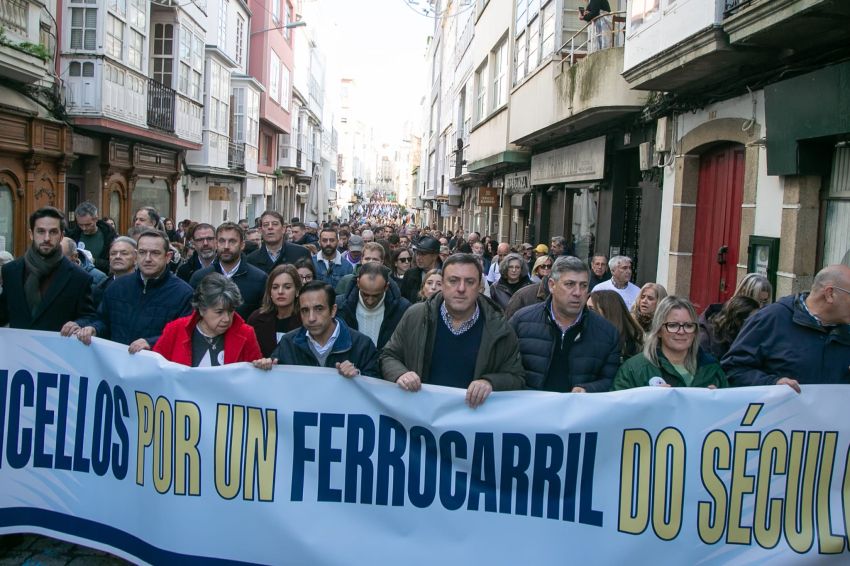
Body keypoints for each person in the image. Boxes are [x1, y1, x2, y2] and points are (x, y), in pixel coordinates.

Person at [381, 253, 525, 408]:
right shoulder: (416, 316)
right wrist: (400, 373)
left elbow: (517, 378)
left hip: (472, 423)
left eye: (469, 282)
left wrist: (490, 382)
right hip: (422, 419)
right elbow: (388, 356)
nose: (461, 288)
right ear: (442, 284)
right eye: (453, 281)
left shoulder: (500, 328)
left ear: (480, 287)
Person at [722, 264, 850, 391]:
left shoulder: (845, 329)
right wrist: (772, 383)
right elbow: (732, 369)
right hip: (778, 410)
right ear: (830, 294)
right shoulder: (771, 319)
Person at [68, 229, 193, 353]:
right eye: (143, 252)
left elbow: (184, 336)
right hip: (117, 366)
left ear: (168, 257)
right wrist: (94, 329)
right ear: (136, 254)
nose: (148, 258)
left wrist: (151, 343)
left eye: (155, 253)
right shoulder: (117, 287)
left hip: (156, 368)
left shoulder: (183, 293)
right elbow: (103, 320)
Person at [510, 256, 620, 392]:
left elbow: (612, 381)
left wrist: (588, 389)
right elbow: (504, 368)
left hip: (579, 410)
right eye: (570, 284)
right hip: (531, 410)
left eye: (584, 285)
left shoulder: (607, 333)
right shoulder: (521, 321)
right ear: (552, 285)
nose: (578, 292)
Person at [2, 207, 95, 331]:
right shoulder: (11, 271)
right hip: (18, 348)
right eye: (41, 231)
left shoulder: (79, 277)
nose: (46, 238)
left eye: (53, 232)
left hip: (56, 348)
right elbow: (3, 313)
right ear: (31, 234)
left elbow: (89, 317)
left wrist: (78, 324)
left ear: (61, 236)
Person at [264, 281, 380, 378]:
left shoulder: (361, 345)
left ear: (333, 310)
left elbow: (377, 387)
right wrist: (264, 369)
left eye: (319, 309)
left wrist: (358, 376)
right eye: (305, 310)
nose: (311, 318)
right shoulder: (288, 343)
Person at [614, 296, 727, 390]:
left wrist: (718, 401)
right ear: (658, 331)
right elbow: (619, 410)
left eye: (688, 326)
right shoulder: (634, 369)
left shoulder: (711, 367)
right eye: (673, 325)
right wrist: (647, 401)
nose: (681, 331)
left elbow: (731, 412)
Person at [154, 273, 262, 367]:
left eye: (231, 311)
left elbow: (254, 377)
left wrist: (262, 365)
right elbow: (156, 367)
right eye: (219, 312)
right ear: (202, 309)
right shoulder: (175, 329)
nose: (227, 319)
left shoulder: (246, 333)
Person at [189, 222, 266, 320]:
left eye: (232, 241)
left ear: (242, 245)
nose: (226, 246)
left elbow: (263, 318)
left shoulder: (259, 279)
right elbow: (192, 316)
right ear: (216, 244)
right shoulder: (200, 277)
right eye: (222, 241)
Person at [335, 262, 411, 350]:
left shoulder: (403, 309)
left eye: (376, 295)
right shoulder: (339, 306)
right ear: (358, 283)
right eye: (365, 294)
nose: (370, 301)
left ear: (386, 287)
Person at [248, 264, 302, 357]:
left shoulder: (305, 320)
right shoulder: (256, 319)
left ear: (297, 291)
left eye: (287, 287)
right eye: (275, 287)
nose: (280, 291)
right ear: (270, 291)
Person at [699, 273, 773, 333]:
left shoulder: (764, 323)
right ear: (743, 293)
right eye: (755, 300)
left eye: (764, 301)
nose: (760, 306)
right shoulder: (718, 322)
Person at [699, 295, 760, 360]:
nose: (756, 324)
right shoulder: (705, 339)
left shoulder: (742, 334)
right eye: (752, 320)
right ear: (738, 320)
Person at [588, 289, 643, 361]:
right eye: (584, 308)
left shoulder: (628, 347)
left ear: (608, 312)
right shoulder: (582, 336)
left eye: (591, 309)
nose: (585, 313)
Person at [66, 201, 116, 273]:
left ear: (96, 219)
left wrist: (94, 261)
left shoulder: (109, 236)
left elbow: (113, 264)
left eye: (88, 224)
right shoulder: (72, 235)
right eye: (80, 225)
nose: (84, 228)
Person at [94, 236, 138, 302]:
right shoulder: (100, 289)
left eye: (124, 253)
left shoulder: (147, 287)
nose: (117, 257)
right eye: (113, 253)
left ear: (136, 258)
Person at [401, 236, 442, 303]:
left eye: (423, 254)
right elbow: (403, 301)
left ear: (434, 256)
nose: (418, 258)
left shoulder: (445, 275)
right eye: (417, 253)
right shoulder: (410, 274)